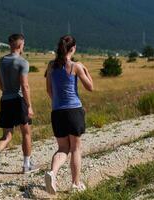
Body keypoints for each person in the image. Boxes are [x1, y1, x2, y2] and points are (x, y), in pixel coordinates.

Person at [0, 34, 39, 181]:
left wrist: (6, 92)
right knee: (26, 132)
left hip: (5, 100)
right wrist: (29, 105)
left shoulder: (2, 61)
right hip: (19, 100)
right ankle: (27, 165)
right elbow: (25, 85)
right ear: (20, 45)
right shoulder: (22, 62)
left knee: (7, 136)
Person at [44, 35, 93, 194]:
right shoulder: (76, 66)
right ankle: (75, 184)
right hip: (74, 111)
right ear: (73, 49)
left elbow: (49, 90)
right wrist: (85, 69)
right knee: (76, 149)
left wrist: (58, 103)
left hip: (57, 112)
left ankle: (53, 173)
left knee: (62, 148)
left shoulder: (51, 66)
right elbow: (90, 87)